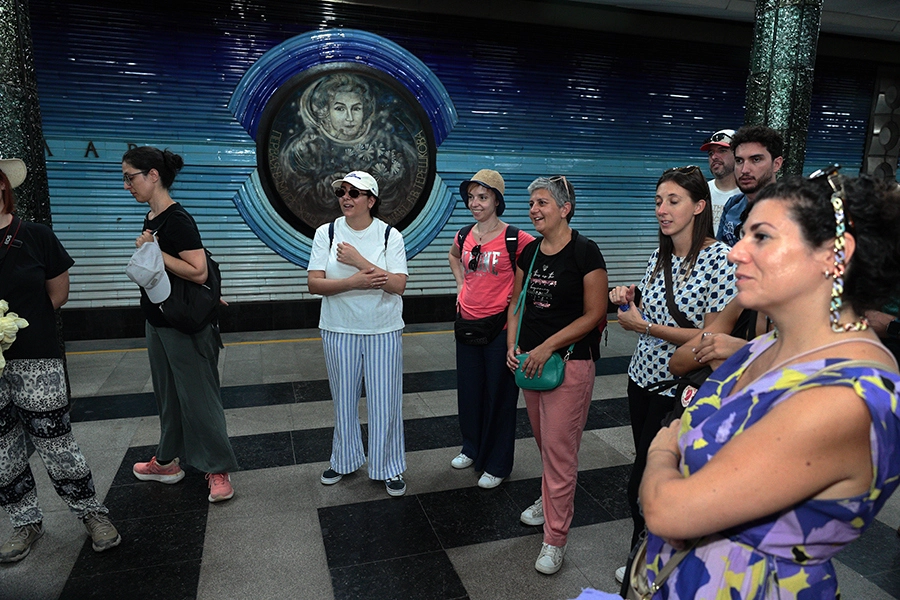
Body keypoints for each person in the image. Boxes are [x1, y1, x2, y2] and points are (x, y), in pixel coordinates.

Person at [638, 169, 900, 598]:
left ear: (835, 256)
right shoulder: (765, 347)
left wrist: (662, 450)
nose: (735, 253)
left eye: (761, 237)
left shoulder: (845, 396)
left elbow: (668, 512)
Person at [608, 165, 736, 577]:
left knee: (648, 482)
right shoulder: (661, 254)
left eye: (673, 201)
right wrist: (629, 298)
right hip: (641, 377)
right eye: (659, 201)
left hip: (680, 390)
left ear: (699, 206)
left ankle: (646, 565)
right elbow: (650, 306)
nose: (662, 210)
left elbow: (710, 339)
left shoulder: (720, 260)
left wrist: (643, 326)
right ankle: (647, 554)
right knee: (644, 473)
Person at [0, 157, 120, 563]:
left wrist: (21, 330)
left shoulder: (34, 235)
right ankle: (24, 521)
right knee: (2, 448)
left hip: (36, 359)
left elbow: (58, 295)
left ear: (3, 187)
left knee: (55, 440)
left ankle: (91, 512)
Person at [123, 146, 239, 503]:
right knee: (169, 397)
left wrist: (155, 252)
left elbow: (198, 270)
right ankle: (167, 460)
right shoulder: (152, 217)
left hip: (184, 326)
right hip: (158, 321)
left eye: (131, 177)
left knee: (199, 398)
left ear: (153, 175)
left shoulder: (178, 220)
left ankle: (217, 468)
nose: (126, 185)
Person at [506, 175, 608, 575]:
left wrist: (548, 345)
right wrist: (512, 346)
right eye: (532, 203)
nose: (534, 209)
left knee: (561, 453)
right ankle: (550, 500)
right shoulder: (529, 254)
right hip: (530, 363)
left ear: (565, 208)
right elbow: (517, 300)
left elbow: (595, 313)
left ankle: (555, 538)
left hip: (570, 362)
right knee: (547, 444)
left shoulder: (586, 253)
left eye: (543, 202)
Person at [308, 170, 409, 497]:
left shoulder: (389, 235)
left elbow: (398, 285)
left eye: (355, 192)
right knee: (344, 401)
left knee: (385, 402)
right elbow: (314, 284)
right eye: (342, 192)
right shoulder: (328, 232)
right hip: (338, 329)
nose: (346, 198)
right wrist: (353, 282)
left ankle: (389, 467)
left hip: (383, 329)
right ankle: (344, 459)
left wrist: (357, 260)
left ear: (371, 200)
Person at [448, 169, 534, 488]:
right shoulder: (464, 235)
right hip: (468, 324)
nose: (475, 203)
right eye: (471, 197)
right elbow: (454, 256)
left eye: (482, 197)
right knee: (470, 393)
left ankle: (497, 462)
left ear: (497, 200)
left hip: (500, 329)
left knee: (499, 396)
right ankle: (472, 448)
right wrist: (461, 286)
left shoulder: (516, 238)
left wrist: (518, 297)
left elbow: (533, 270)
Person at [716, 125, 784, 247]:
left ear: (776, 164)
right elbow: (717, 253)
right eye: (739, 161)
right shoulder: (733, 204)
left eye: (756, 159)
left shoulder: (793, 212)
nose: (744, 170)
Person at [700, 128, 739, 232]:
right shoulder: (701, 192)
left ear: (738, 154)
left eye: (722, 151)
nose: (714, 157)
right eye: (710, 153)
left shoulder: (749, 195)